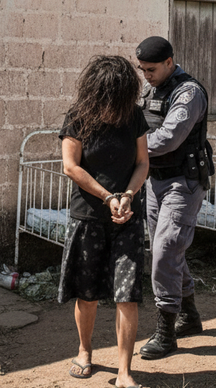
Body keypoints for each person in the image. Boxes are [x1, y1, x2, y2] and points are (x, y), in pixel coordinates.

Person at [57, 55, 150, 388]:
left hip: (127, 217)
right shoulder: (78, 118)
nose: (115, 108)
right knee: (88, 292)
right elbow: (71, 166)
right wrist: (107, 196)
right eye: (109, 99)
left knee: (128, 294)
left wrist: (127, 195)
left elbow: (142, 163)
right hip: (88, 217)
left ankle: (124, 372)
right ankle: (84, 351)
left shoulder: (134, 116)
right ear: (97, 93)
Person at [135, 36, 211, 360]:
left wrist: (130, 148)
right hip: (156, 181)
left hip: (184, 182)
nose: (146, 75)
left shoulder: (189, 92)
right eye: (142, 70)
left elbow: (169, 137)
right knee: (167, 250)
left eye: (151, 69)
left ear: (169, 62)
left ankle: (165, 333)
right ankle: (189, 316)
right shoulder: (151, 90)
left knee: (165, 250)